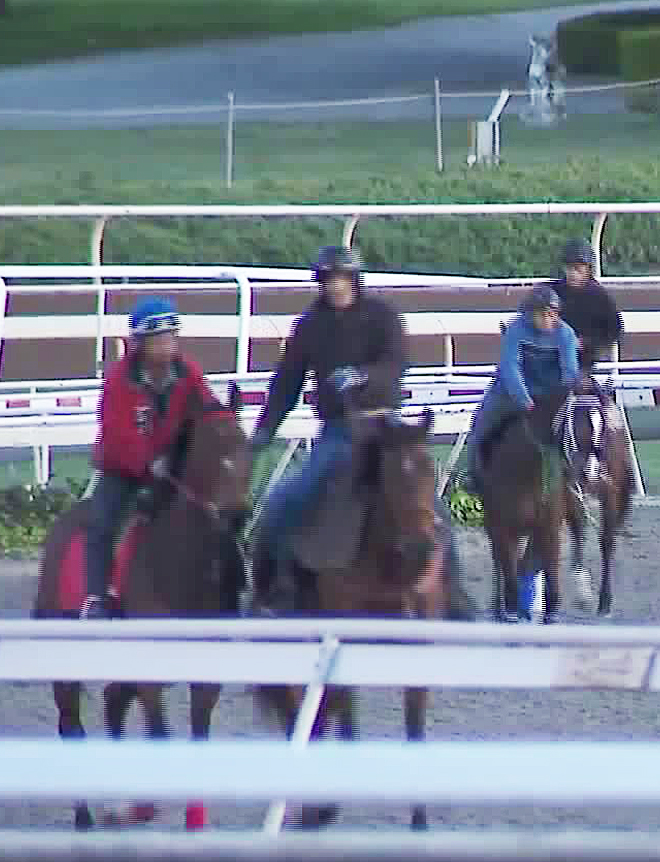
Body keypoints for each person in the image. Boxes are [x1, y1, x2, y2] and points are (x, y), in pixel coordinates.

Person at [247, 244, 474, 618]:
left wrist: (364, 377)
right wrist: (265, 429)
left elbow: (395, 363)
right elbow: (286, 382)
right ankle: (279, 586)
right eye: (329, 280)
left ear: (354, 280)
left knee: (427, 502)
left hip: (384, 424)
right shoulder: (309, 326)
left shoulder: (383, 317)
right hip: (338, 429)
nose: (336, 286)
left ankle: (454, 590)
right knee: (292, 495)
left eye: (342, 278)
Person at [82, 296, 221, 619]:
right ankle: (97, 597)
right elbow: (118, 433)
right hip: (123, 469)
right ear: (140, 342)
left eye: (171, 336)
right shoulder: (119, 379)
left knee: (218, 511)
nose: (167, 344)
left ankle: (228, 577)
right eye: (159, 338)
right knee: (102, 525)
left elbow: (206, 410)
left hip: (175, 466)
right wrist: (147, 464)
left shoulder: (189, 372)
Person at [460, 284, 581, 494]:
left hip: (550, 396)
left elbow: (570, 371)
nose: (546, 319)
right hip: (508, 393)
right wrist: (524, 399)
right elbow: (510, 368)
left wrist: (558, 398)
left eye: (551, 314)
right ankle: (475, 474)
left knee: (576, 428)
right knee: (481, 423)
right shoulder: (516, 330)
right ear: (529, 314)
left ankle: (576, 475)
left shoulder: (566, 334)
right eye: (541, 314)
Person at [546, 239, 625, 375]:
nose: (573, 274)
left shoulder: (599, 296)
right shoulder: (551, 291)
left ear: (588, 269)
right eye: (569, 268)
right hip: (550, 359)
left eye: (578, 269)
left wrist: (587, 343)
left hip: (584, 361)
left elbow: (614, 330)